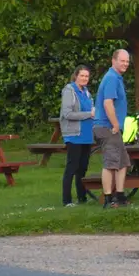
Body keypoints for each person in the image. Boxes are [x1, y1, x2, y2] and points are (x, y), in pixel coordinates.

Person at [95, 48, 132, 208]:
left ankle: (120, 196)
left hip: (112, 127)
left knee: (122, 162)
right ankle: (109, 200)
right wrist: (116, 124)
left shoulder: (117, 78)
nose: (125, 64)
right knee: (110, 164)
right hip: (107, 127)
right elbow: (107, 102)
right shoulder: (111, 78)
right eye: (122, 61)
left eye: (127, 61)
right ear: (113, 60)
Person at [58, 66, 95, 207]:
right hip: (74, 135)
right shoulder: (69, 91)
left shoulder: (86, 92)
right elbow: (67, 114)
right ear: (76, 76)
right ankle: (67, 200)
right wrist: (89, 114)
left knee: (83, 168)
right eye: (82, 76)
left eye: (87, 76)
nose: (85, 78)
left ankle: (82, 197)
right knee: (72, 167)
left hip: (86, 135)